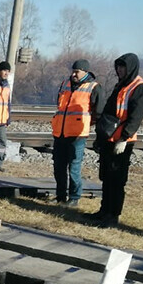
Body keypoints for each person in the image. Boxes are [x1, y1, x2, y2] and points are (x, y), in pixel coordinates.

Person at [89, 53, 143, 227]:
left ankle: (113, 215)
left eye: (123, 67)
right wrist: (101, 136)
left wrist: (124, 138)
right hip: (110, 138)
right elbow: (109, 110)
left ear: (130, 68)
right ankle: (104, 211)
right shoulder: (121, 85)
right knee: (107, 177)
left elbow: (135, 116)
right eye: (118, 67)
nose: (120, 70)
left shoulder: (139, 87)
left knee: (117, 180)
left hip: (122, 141)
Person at [51, 59, 104, 207]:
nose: (74, 74)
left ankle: (74, 197)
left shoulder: (94, 87)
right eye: (73, 71)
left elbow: (98, 113)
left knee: (74, 168)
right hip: (60, 133)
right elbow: (60, 106)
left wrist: (88, 124)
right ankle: (60, 196)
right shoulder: (65, 84)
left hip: (77, 135)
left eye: (77, 72)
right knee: (59, 167)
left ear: (85, 72)